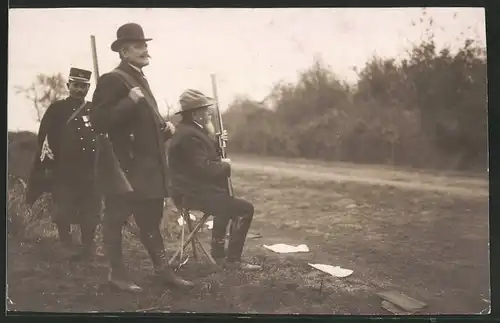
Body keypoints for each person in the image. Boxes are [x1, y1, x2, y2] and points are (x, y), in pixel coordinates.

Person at [90, 22, 194, 292]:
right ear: (124, 52)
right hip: (125, 169)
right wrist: (129, 101)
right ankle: (117, 274)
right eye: (138, 46)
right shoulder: (114, 80)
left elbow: (140, 129)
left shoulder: (139, 79)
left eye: (145, 45)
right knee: (114, 219)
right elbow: (99, 122)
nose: (145, 50)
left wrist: (165, 132)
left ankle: (163, 272)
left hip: (147, 168)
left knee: (150, 221)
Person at [168, 89, 262, 272]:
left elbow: (203, 159)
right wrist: (225, 165)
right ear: (195, 114)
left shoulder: (191, 131)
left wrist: (217, 144)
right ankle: (232, 260)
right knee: (244, 210)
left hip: (194, 191)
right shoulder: (189, 135)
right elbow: (204, 168)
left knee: (226, 201)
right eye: (205, 110)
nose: (209, 113)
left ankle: (219, 256)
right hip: (192, 195)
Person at [26, 67, 103, 260]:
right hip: (64, 168)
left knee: (90, 208)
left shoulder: (94, 108)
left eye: (84, 86)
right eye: (76, 85)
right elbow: (43, 137)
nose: (79, 89)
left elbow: (103, 133)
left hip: (89, 169)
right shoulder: (57, 109)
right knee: (64, 207)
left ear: (88, 88)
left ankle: (89, 245)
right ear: (69, 86)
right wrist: (49, 163)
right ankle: (66, 244)